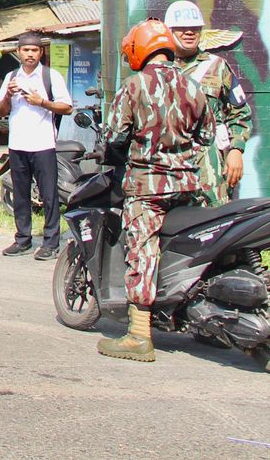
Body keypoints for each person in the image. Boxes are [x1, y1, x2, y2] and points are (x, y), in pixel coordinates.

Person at [97, 19, 212, 362]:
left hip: (148, 186)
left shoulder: (134, 86)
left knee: (142, 251)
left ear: (137, 50)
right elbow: (206, 135)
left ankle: (138, 335)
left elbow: (115, 137)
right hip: (189, 184)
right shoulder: (193, 85)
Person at [0, 32, 73, 260]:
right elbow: (1, 111)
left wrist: (43, 102)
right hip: (17, 144)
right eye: (26, 50)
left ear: (41, 52)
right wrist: (8, 95)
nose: (30, 54)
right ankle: (23, 239)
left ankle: (51, 242)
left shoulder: (51, 76)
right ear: (18, 52)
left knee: (49, 196)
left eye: (34, 50)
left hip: (43, 144)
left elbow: (67, 107)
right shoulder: (12, 76)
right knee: (21, 194)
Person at [164, 0, 251, 206]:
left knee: (215, 221)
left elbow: (240, 113)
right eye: (182, 28)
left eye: (195, 28)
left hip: (210, 164)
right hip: (168, 163)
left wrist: (236, 151)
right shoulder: (159, 69)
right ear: (169, 31)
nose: (189, 33)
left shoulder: (217, 67)